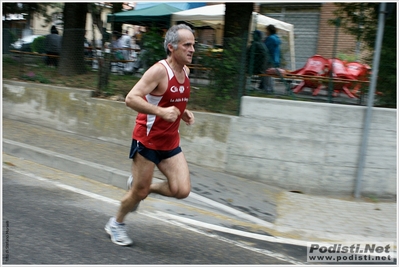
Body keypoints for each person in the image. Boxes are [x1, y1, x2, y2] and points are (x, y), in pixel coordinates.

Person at [105, 24, 196, 246]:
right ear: (171, 47)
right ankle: (116, 223)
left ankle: (139, 185)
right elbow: (131, 98)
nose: (192, 49)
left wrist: (182, 112)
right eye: (187, 45)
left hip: (170, 141)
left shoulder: (186, 71)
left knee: (181, 190)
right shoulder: (158, 71)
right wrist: (160, 112)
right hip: (147, 141)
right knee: (139, 193)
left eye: (193, 45)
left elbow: (169, 99)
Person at [263, 24, 281, 92]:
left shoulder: (270, 38)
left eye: (266, 30)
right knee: (270, 74)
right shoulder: (276, 38)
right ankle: (270, 88)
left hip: (269, 59)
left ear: (269, 31)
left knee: (267, 74)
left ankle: (267, 89)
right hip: (275, 59)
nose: (265, 32)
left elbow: (265, 48)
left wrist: (263, 42)